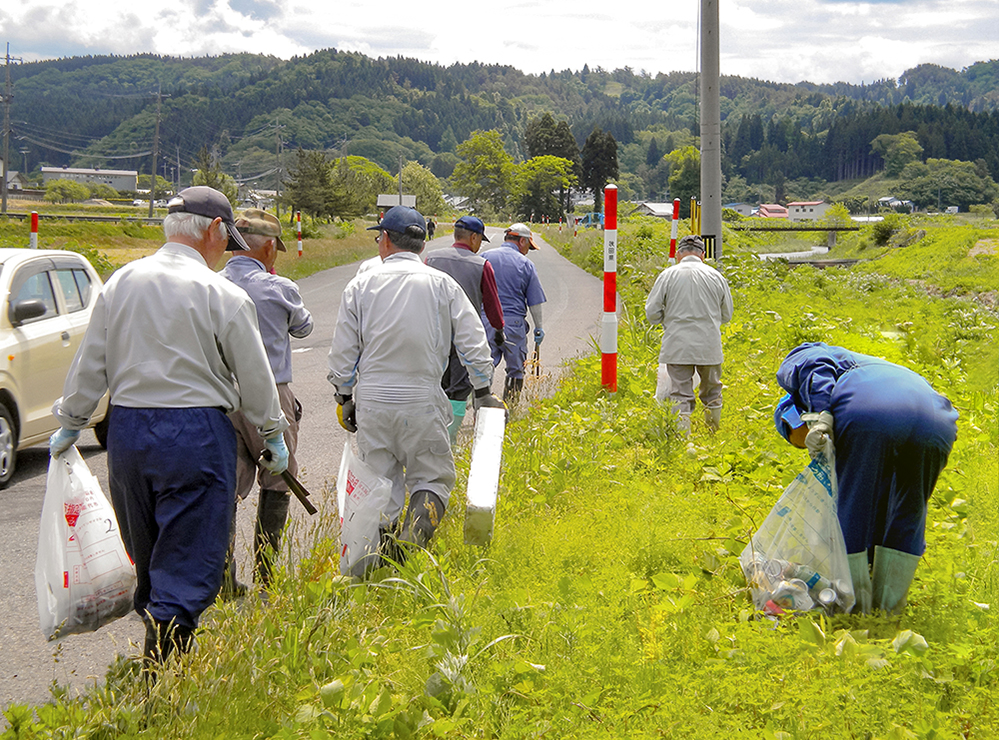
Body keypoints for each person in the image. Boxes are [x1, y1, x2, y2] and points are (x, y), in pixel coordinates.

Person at [49, 186, 289, 665]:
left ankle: (158, 639)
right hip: (196, 434)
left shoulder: (121, 283)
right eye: (228, 239)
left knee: (149, 547)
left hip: (129, 433)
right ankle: (163, 682)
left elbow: (91, 361)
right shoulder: (222, 293)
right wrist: (273, 434)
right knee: (191, 553)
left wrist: (72, 421)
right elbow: (255, 377)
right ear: (216, 230)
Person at [327, 206, 503, 565]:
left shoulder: (361, 285)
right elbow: (473, 342)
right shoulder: (442, 285)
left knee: (379, 486)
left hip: (373, 401)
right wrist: (483, 391)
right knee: (432, 480)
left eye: (379, 237)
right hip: (423, 398)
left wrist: (344, 396)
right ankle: (408, 549)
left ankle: (375, 566)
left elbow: (343, 352)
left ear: (387, 240)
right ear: (422, 245)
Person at [773, 342, 959, 614]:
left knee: (852, 507)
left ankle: (851, 608)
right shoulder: (870, 370)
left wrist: (821, 414)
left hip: (872, 411)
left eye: (797, 438)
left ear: (795, 415)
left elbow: (810, 365)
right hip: (937, 420)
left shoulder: (803, 364)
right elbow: (881, 501)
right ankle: (887, 611)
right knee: (908, 509)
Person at [220, 208, 314, 594]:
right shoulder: (279, 288)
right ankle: (267, 573)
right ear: (270, 247)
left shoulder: (213, 284)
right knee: (278, 479)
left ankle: (223, 575)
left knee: (225, 483)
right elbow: (304, 327)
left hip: (221, 394)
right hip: (272, 393)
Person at [424, 215, 505, 442]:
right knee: (459, 389)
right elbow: (492, 307)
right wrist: (498, 331)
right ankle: (448, 442)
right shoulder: (481, 265)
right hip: (463, 337)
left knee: (436, 385)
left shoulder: (431, 259)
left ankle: (432, 435)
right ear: (473, 237)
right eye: (480, 240)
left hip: (432, 336)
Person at [644, 235, 734, 434]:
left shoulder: (668, 275)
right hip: (709, 345)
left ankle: (681, 440)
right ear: (703, 255)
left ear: (678, 255)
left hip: (677, 345)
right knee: (712, 390)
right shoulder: (716, 276)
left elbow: (651, 313)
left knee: (680, 394)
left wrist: (666, 319)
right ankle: (713, 433)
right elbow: (727, 314)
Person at [482, 223, 547, 402]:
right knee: (516, 368)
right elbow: (534, 301)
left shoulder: (485, 257)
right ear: (522, 241)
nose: (527, 251)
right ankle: (510, 410)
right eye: (528, 246)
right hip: (513, 324)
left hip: (485, 320)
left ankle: (481, 408)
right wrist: (539, 327)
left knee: (484, 365)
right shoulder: (526, 264)